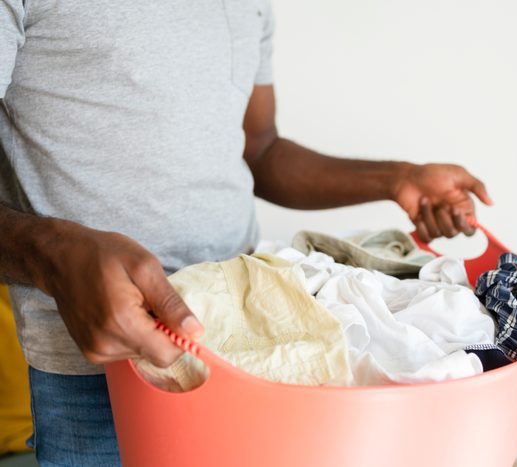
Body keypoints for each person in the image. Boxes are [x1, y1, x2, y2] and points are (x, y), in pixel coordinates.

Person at [0, 1, 492, 465]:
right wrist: (54, 256)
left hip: (255, 342)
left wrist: (396, 179)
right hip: (98, 373)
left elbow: (260, 149)